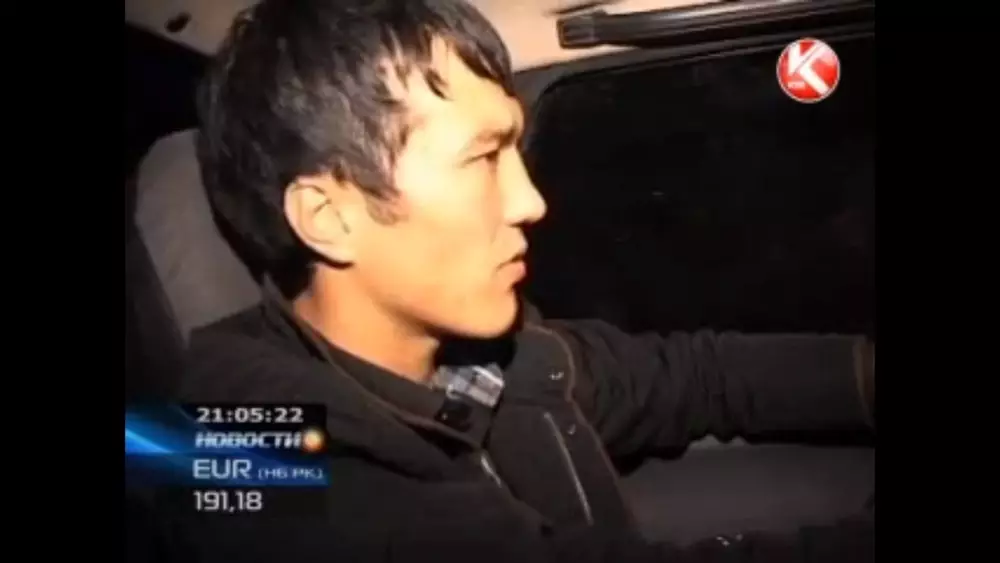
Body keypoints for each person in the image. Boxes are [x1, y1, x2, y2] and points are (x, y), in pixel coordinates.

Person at [177, 0, 875, 561]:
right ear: (330, 217)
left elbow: (689, 376)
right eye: (483, 158)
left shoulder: (474, 364)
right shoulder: (261, 463)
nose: (530, 201)